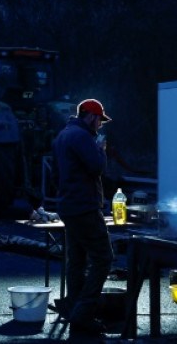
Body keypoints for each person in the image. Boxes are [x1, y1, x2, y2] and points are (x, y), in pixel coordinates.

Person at [52, 98, 114, 336]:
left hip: (68, 207)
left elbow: (57, 174)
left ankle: (74, 307)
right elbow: (97, 167)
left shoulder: (62, 136)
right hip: (85, 208)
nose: (100, 126)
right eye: (100, 121)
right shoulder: (82, 137)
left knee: (76, 260)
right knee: (103, 258)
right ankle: (83, 313)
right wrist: (101, 149)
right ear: (91, 116)